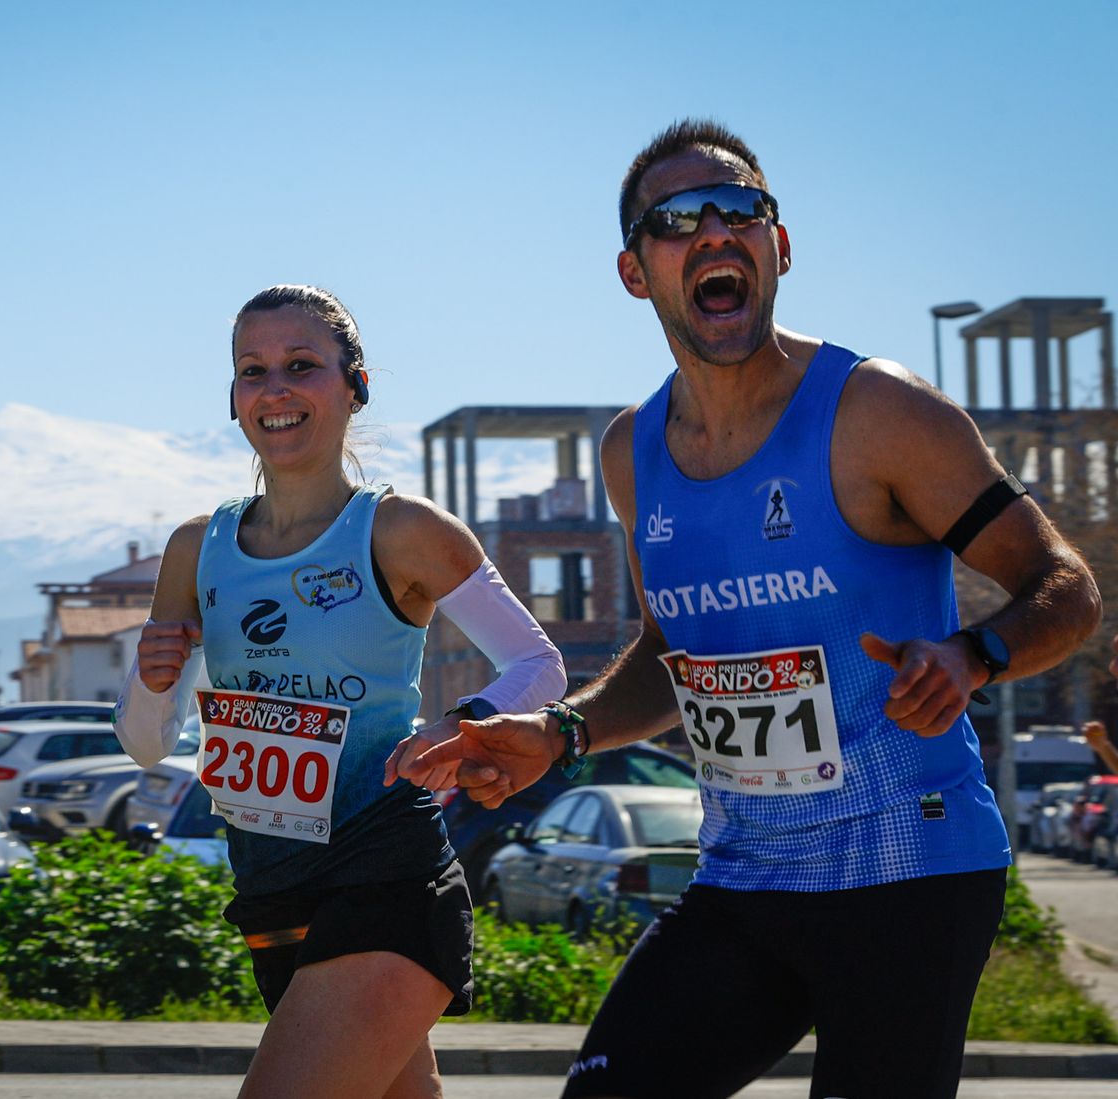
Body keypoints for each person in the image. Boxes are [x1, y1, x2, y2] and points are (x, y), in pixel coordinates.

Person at [398, 120, 1102, 1099]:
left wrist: (974, 653)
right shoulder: (629, 453)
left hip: (908, 863)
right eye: (678, 219)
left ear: (779, 247)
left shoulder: (876, 413)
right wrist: (561, 731)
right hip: (746, 874)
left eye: (741, 211)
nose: (714, 231)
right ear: (635, 270)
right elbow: (663, 653)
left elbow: (1064, 587)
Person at [114, 284, 566, 1099]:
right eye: (253, 370)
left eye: (302, 366)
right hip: (271, 891)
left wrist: (458, 727)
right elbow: (149, 741)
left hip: (385, 879)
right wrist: (151, 683)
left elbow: (538, 664)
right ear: (233, 397)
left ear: (354, 385)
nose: (276, 389)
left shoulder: (401, 530)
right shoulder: (197, 546)